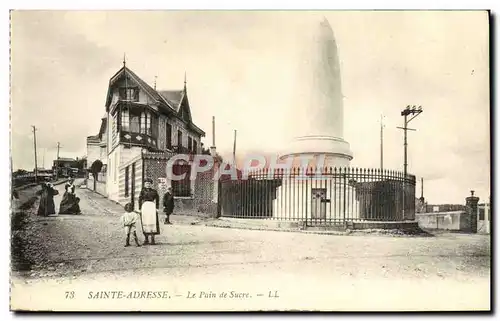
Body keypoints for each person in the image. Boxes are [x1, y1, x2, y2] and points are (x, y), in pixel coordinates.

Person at [138, 178, 160, 245]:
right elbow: (139, 199)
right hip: (145, 206)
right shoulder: (142, 191)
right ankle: (146, 239)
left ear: (151, 184)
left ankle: (153, 239)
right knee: (145, 221)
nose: (148, 185)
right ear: (144, 184)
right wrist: (140, 208)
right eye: (146, 183)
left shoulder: (154, 191)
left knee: (153, 221)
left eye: (149, 183)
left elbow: (157, 199)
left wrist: (157, 207)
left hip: (152, 207)